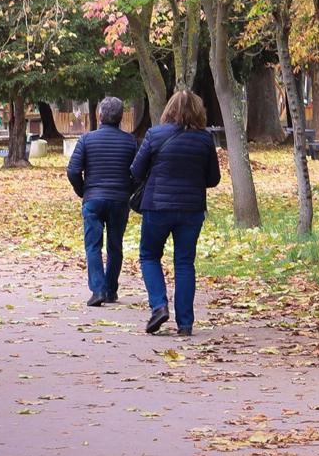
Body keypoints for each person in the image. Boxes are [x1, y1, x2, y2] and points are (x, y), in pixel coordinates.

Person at [131, 90, 221, 337]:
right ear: (198, 111)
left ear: (169, 109)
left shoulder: (155, 135)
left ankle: (159, 306)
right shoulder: (204, 139)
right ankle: (185, 323)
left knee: (149, 255)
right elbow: (214, 179)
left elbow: (136, 170)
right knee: (184, 263)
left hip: (157, 207)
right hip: (191, 210)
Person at [66, 96, 137, 307]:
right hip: (119, 200)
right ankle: (111, 290)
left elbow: (72, 170)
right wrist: (128, 190)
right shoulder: (130, 141)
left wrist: (83, 191)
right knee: (115, 246)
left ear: (100, 115)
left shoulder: (87, 140)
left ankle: (97, 290)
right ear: (121, 117)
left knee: (93, 245)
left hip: (93, 199)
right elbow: (139, 172)